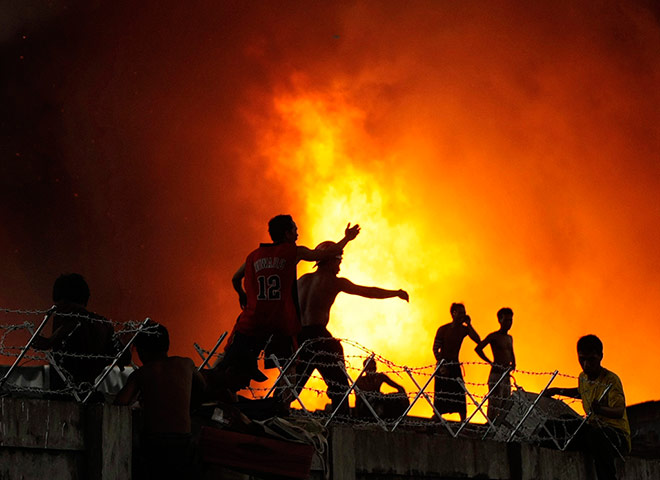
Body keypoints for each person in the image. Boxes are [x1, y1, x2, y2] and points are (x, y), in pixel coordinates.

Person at [220, 215, 360, 394]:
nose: (297, 233)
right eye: (294, 230)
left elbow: (235, 278)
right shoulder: (292, 253)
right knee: (290, 367)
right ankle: (281, 406)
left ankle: (223, 394)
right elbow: (325, 254)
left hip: (252, 321)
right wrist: (347, 238)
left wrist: (242, 295)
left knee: (234, 361)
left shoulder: (254, 256)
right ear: (287, 234)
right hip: (279, 324)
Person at [294, 241, 409, 414]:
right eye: (338, 260)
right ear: (330, 260)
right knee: (339, 384)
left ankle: (277, 410)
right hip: (319, 337)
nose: (339, 265)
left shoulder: (301, 281)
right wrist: (395, 293)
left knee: (292, 383)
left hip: (299, 336)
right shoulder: (334, 282)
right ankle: (342, 418)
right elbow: (369, 292)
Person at [114, 322, 206, 480]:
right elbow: (203, 388)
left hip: (154, 444)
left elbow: (120, 404)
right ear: (167, 345)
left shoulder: (141, 373)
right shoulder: (186, 364)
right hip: (183, 441)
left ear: (141, 350)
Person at [543, 335, 630, 480]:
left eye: (591, 360)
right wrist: (558, 390)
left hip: (616, 436)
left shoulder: (610, 380)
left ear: (600, 356)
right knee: (562, 424)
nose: (586, 364)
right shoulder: (583, 377)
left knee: (596, 436)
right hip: (594, 430)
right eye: (582, 359)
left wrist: (601, 410)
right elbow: (581, 392)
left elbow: (619, 411)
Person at [33, 273, 129, 397]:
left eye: (59, 306)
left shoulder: (65, 318)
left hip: (63, 394)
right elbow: (121, 358)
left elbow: (73, 323)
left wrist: (50, 341)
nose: (57, 310)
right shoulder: (103, 324)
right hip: (89, 392)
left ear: (63, 302)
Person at [432, 303, 481, 422]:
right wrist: (441, 363)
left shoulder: (464, 330)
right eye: (460, 313)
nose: (462, 315)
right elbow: (435, 348)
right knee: (441, 392)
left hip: (455, 363)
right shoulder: (443, 329)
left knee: (459, 391)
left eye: (464, 313)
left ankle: (463, 418)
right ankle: (437, 415)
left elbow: (477, 339)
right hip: (443, 363)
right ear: (453, 313)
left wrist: (469, 324)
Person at [474, 307, 516, 421]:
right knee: (494, 402)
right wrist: (490, 362)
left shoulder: (509, 338)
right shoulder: (494, 336)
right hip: (496, 374)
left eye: (510, 320)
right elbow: (478, 348)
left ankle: (500, 426)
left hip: (506, 375)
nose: (509, 323)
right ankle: (490, 424)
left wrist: (514, 363)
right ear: (500, 320)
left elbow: (511, 352)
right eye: (506, 320)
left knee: (506, 402)